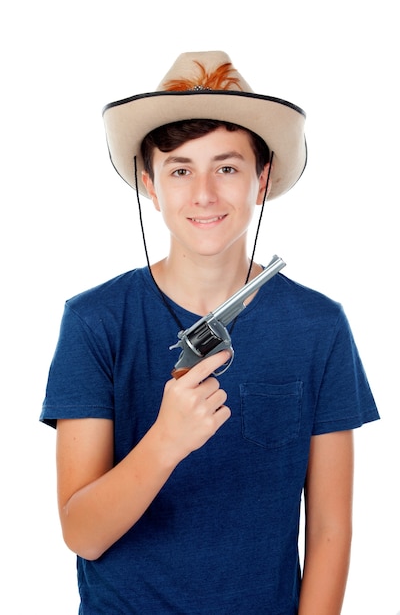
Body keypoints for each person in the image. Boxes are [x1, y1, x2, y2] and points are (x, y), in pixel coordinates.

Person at [40, 51, 379, 614]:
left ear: (262, 179)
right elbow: (82, 534)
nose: (203, 194)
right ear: (149, 182)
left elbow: (328, 531)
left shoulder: (319, 328)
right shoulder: (94, 322)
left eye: (227, 167)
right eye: (179, 169)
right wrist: (166, 442)